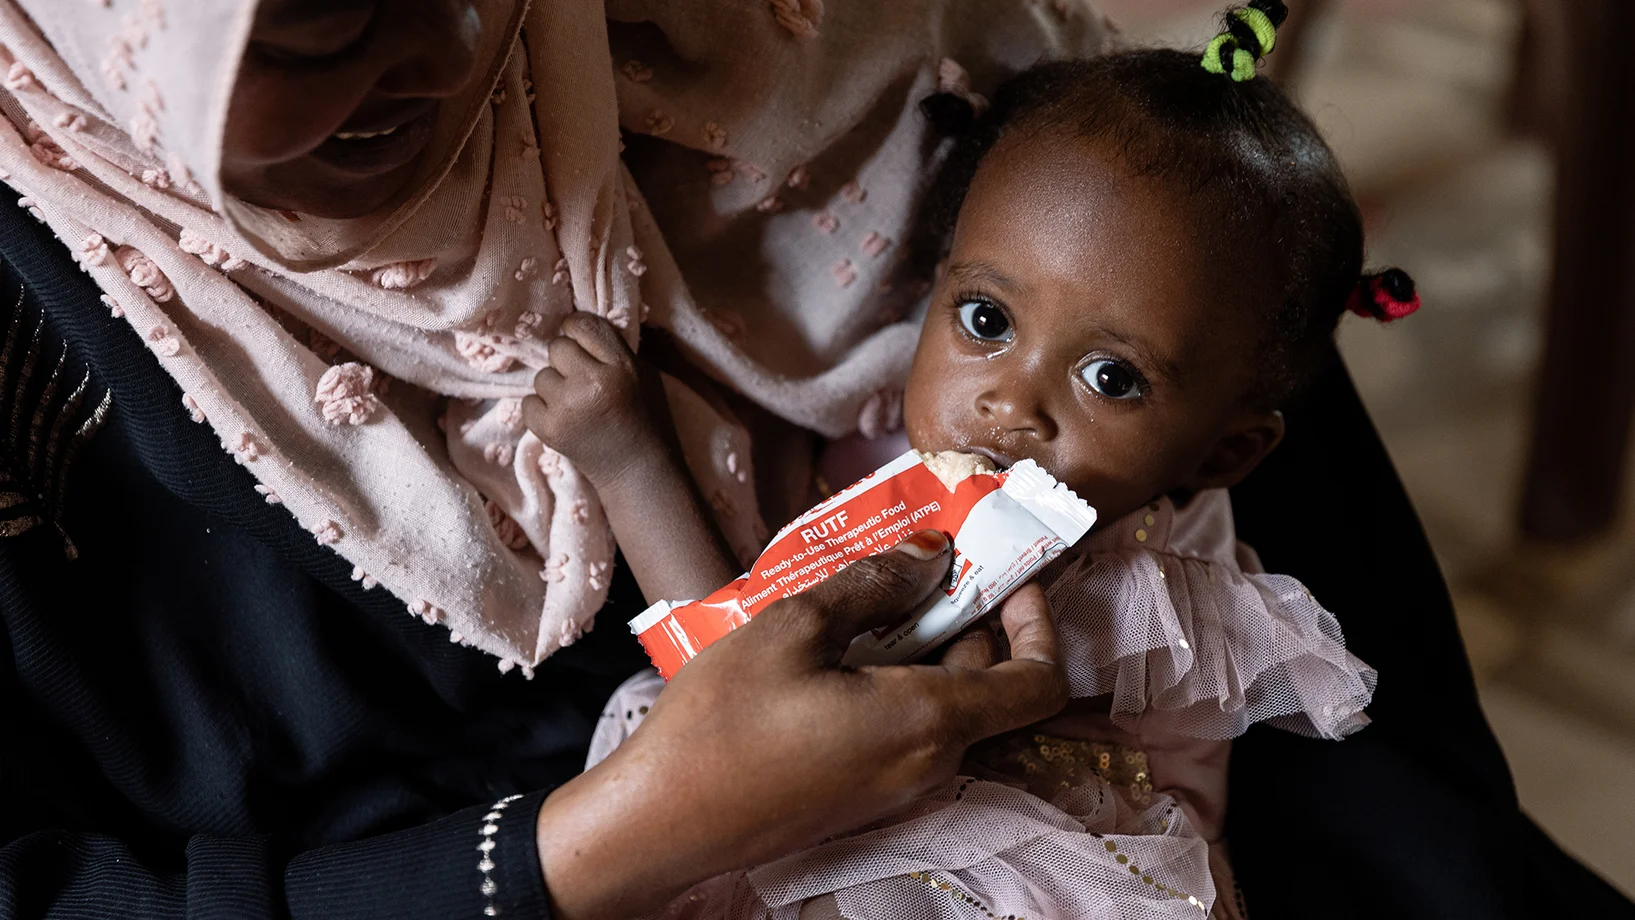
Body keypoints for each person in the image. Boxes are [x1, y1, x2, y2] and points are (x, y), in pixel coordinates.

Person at [0, 1, 1627, 919]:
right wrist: (616, 839)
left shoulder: (858, 85)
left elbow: (1365, 741)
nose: (436, 58)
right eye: (320, 24)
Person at [536, 5, 1392, 915]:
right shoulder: (862, 449)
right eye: (986, 320)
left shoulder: (1136, 588)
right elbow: (732, 666)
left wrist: (630, 462)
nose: (1009, 403)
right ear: (928, 288)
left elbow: (730, 667)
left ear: (1224, 449)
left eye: (1110, 377)